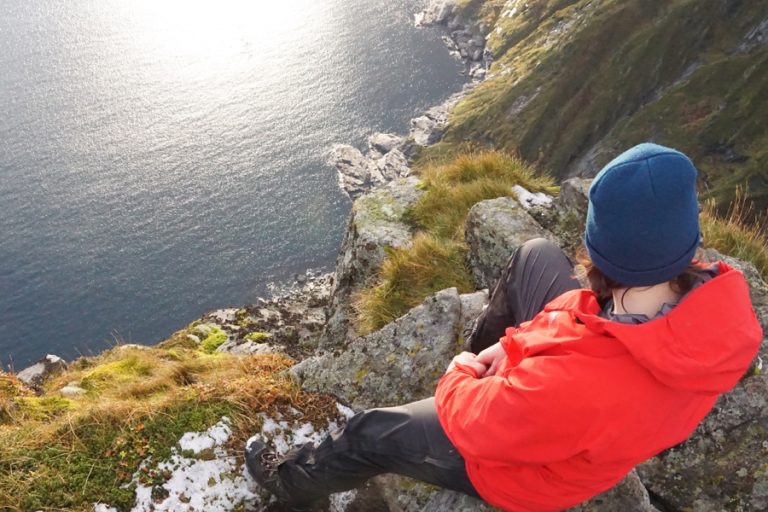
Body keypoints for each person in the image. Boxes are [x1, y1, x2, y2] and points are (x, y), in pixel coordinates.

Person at [244, 143, 763, 511]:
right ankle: (489, 358)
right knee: (535, 254)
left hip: (522, 475)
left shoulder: (575, 385)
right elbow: (592, 324)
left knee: (370, 431)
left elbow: (476, 424)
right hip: (579, 408)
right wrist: (509, 346)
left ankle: (289, 484)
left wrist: (460, 372)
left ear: (601, 250)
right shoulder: (720, 304)